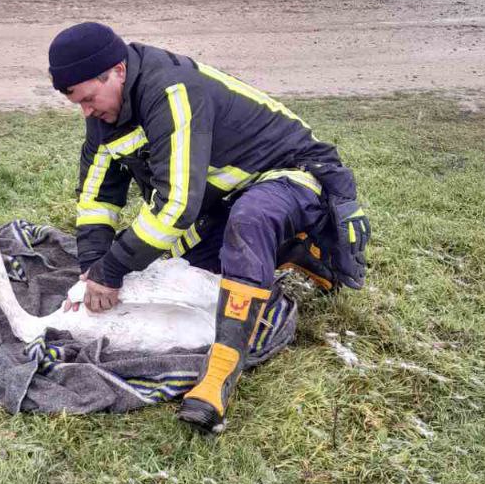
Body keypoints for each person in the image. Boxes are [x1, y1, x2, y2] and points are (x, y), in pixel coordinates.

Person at [49, 22, 370, 434]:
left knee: (249, 221)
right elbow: (97, 198)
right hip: (224, 194)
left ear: (117, 70)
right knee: (190, 268)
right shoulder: (104, 119)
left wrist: (113, 271)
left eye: (89, 99)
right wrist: (93, 267)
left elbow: (177, 205)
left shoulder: (171, 90)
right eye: (78, 104)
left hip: (292, 174)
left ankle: (220, 374)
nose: (87, 112)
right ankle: (290, 250)